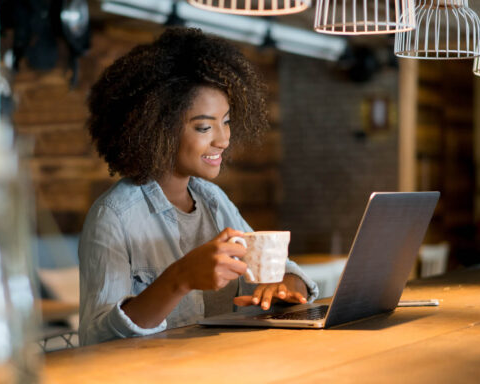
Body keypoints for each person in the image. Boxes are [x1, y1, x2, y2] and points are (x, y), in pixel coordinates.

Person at [78, 27, 319, 346]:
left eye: (227, 121)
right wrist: (180, 279)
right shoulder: (114, 216)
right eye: (205, 126)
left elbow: (282, 272)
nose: (223, 139)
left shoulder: (213, 201)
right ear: (156, 129)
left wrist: (286, 288)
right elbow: (97, 336)